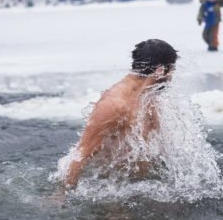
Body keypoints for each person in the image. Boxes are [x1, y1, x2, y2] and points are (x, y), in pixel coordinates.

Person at [64, 39, 178, 188]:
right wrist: (62, 194)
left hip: (144, 185)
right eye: (172, 71)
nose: (171, 77)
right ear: (161, 70)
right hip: (114, 190)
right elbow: (81, 154)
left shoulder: (147, 96)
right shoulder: (115, 104)